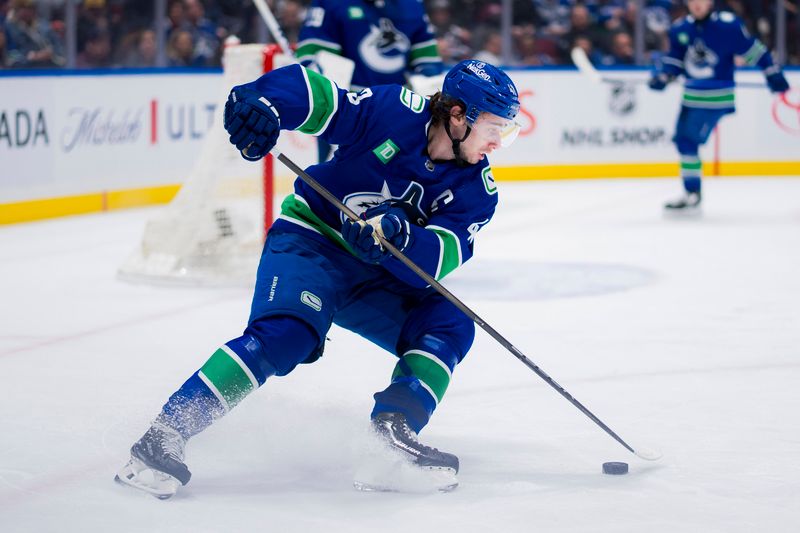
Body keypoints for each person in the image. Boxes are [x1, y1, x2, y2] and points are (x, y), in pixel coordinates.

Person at [114, 59, 521, 498]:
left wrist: (400, 241)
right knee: (287, 334)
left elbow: (439, 261)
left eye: (507, 129)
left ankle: (390, 438)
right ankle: (165, 434)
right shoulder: (394, 110)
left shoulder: (478, 190)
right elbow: (318, 96)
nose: (499, 141)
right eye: (494, 126)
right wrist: (265, 101)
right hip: (311, 242)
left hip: (377, 275)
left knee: (450, 322)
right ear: (457, 115)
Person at [648, 0, 789, 211]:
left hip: (716, 98)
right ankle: (691, 192)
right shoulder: (680, 28)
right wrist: (663, 77)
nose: (697, 4)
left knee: (686, 141)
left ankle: (692, 192)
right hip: (691, 98)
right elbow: (675, 62)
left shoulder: (727, 25)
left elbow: (753, 50)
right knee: (684, 143)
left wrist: (772, 72)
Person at [295, 0, 445, 162]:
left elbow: (428, 64)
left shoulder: (411, 5)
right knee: (336, 179)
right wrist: (337, 112)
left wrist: (427, 107)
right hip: (349, 112)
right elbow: (318, 65)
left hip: (398, 115)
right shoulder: (331, 3)